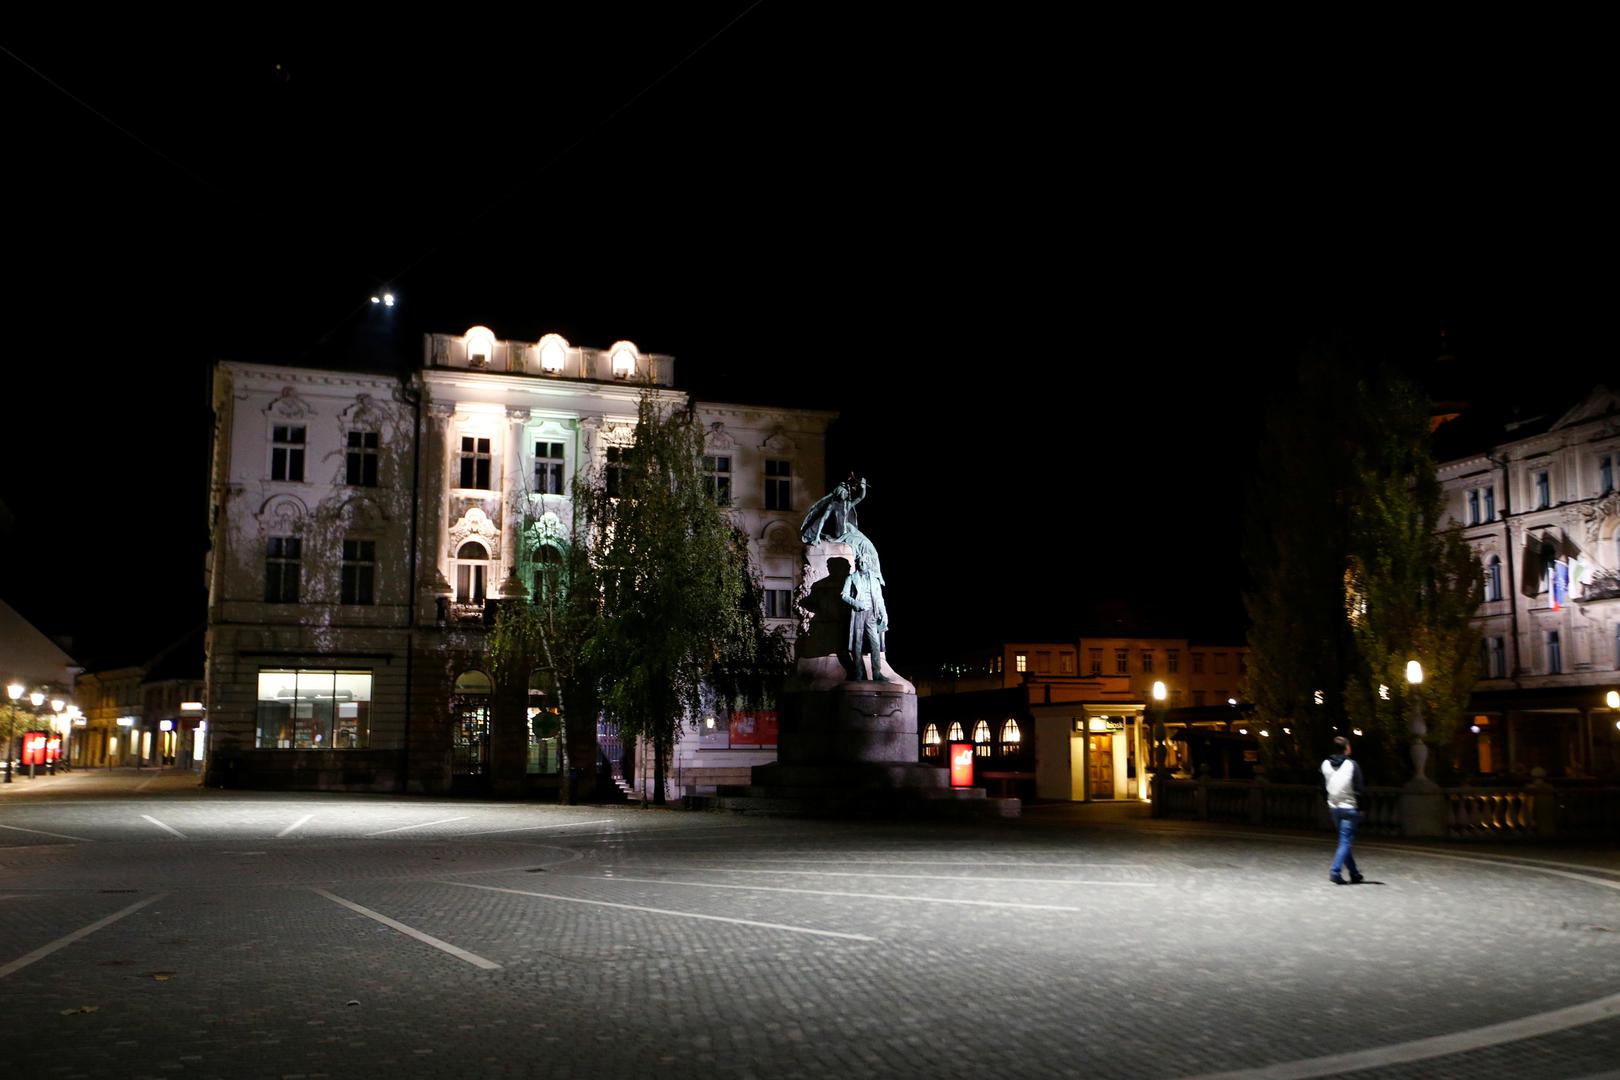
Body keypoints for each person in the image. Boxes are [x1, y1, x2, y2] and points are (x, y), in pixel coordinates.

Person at [839, 547, 890, 681]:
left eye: (863, 562)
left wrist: (884, 614)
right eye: (859, 562)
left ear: (868, 563)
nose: (861, 564)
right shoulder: (852, 578)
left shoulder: (874, 579)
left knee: (875, 643)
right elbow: (844, 595)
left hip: (872, 614)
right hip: (859, 613)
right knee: (857, 643)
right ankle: (858, 672)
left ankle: (877, 672)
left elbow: (879, 598)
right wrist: (856, 603)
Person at [1322, 736, 1365, 885]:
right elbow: (1359, 789)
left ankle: (1354, 873)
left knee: (1343, 841)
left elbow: (1323, 786)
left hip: (1334, 806)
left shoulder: (1325, 764)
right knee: (1345, 841)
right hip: (1349, 806)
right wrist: (1362, 808)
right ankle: (1335, 871)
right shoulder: (1352, 765)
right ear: (1346, 748)